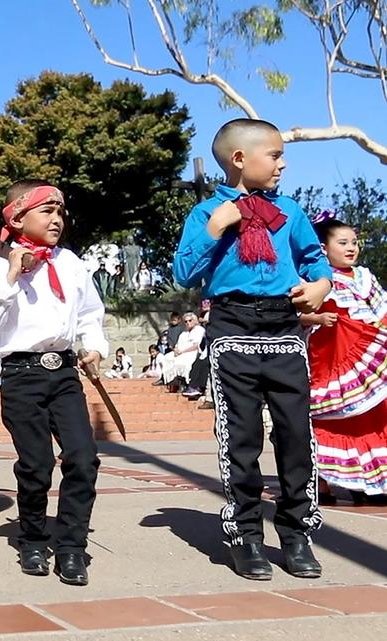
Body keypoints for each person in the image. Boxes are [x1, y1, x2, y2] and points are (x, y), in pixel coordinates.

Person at [173, 118, 331, 581]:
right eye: (275, 154)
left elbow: (314, 259)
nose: (283, 163)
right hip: (232, 325)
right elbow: (184, 272)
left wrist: (320, 284)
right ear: (240, 159)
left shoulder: (290, 210)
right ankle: (246, 535)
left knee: (296, 435)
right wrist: (217, 228)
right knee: (241, 439)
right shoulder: (207, 212)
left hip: (284, 326)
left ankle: (297, 531)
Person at [0, 179, 107, 587]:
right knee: (36, 464)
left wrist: (94, 346)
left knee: (83, 459)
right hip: (21, 373)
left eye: (60, 212)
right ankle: (32, 537)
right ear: (18, 216)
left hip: (64, 373)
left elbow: (89, 311)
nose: (57, 219)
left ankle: (71, 546)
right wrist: (13, 275)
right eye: (47, 211)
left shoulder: (71, 262)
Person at [301, 216, 387, 505]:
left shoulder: (365, 277)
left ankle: (368, 484)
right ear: (323, 248)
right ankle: (323, 483)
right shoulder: (319, 278)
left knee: (369, 417)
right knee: (330, 419)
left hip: (364, 361)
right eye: (343, 243)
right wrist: (318, 317)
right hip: (331, 358)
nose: (351, 248)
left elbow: (380, 313)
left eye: (353, 242)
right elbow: (295, 312)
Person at [160, 313, 203, 391]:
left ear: (195, 320)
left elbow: (196, 346)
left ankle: (185, 382)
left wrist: (182, 351)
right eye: (186, 321)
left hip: (192, 352)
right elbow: (177, 345)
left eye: (190, 320)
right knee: (166, 357)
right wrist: (175, 350)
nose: (188, 323)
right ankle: (167, 379)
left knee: (182, 360)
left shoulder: (199, 330)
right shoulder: (184, 333)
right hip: (180, 352)